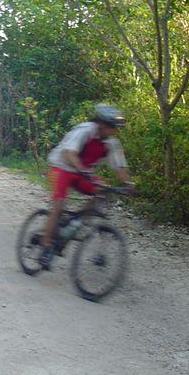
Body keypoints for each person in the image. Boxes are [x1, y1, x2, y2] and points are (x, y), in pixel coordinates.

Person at [39, 104, 132, 268]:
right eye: (111, 126)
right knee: (58, 205)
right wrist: (84, 170)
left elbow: (119, 167)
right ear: (101, 123)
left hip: (82, 172)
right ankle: (45, 246)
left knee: (103, 191)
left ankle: (77, 221)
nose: (114, 131)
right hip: (61, 166)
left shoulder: (112, 143)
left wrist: (128, 185)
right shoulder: (85, 130)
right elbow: (69, 153)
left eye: (116, 128)